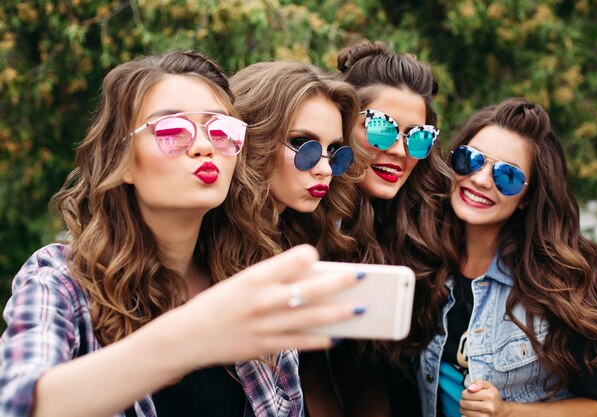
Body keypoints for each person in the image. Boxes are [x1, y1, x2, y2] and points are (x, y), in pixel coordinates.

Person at [0, 50, 368, 417]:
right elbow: (17, 404)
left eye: (221, 130)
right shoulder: (60, 281)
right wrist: (189, 338)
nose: (205, 146)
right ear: (121, 159)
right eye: (173, 131)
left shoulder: (251, 280)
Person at [418, 97, 597, 417]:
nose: (481, 180)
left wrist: (508, 412)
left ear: (527, 198)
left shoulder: (552, 288)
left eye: (507, 176)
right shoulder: (422, 259)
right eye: (470, 160)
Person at [297, 41, 452, 417]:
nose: (399, 150)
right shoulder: (300, 213)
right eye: (382, 128)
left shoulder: (427, 221)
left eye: (418, 137)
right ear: (344, 123)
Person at [208, 60, 368, 285]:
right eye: (302, 143)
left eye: (333, 150)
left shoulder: (313, 232)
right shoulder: (200, 232)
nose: (324, 169)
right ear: (255, 140)